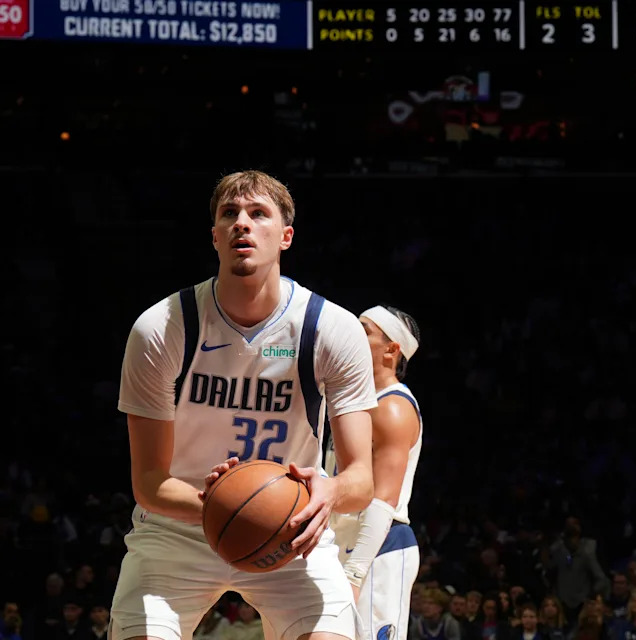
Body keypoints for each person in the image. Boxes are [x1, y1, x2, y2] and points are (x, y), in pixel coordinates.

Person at [111, 170, 377, 640]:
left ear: (286, 236)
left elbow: (360, 479)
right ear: (214, 236)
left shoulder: (331, 329)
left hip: (293, 533)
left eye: (258, 214)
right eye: (229, 214)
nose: (242, 224)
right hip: (176, 530)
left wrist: (328, 493)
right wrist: (222, 505)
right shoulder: (161, 328)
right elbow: (149, 483)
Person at [326, 305, 424, 640]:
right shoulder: (348, 402)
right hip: (339, 543)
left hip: (377, 549)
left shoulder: (393, 407)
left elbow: (384, 498)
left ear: (392, 350)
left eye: (364, 330)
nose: (352, 334)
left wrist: (354, 573)